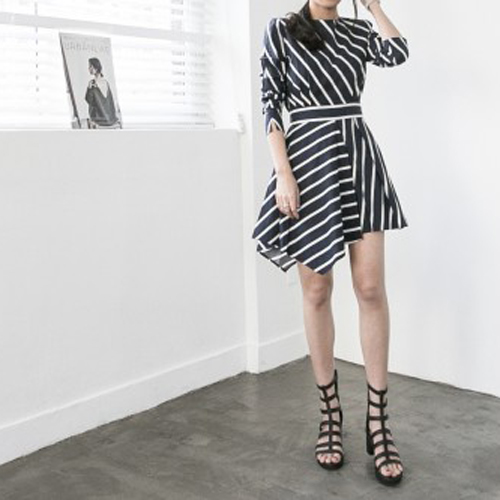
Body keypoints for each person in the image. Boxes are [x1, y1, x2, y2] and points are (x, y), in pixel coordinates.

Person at [251, 0, 409, 487]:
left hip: (357, 159)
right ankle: (330, 415)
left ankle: (378, 422)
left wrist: (374, 7)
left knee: (370, 288)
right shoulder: (282, 30)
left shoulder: (358, 34)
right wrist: (283, 173)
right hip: (307, 164)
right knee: (317, 290)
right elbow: (270, 104)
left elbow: (398, 52)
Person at [85, 57, 121, 128]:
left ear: (96, 67)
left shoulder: (92, 83)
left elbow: (89, 101)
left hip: (98, 119)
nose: (88, 69)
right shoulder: (106, 82)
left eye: (90, 66)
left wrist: (89, 88)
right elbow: (109, 102)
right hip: (110, 118)